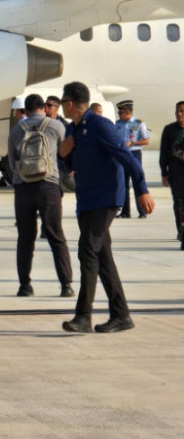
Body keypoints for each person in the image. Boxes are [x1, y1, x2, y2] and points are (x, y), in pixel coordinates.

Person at [59, 81, 155, 333]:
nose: (61, 107)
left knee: (87, 250)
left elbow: (127, 158)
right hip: (86, 200)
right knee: (103, 258)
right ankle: (121, 315)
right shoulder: (73, 129)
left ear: (70, 104)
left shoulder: (101, 126)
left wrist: (142, 189)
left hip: (107, 199)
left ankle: (83, 316)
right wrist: (62, 154)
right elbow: (69, 166)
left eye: (62, 102)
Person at [7, 94, 74, 298]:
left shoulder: (17, 130)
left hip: (23, 187)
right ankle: (66, 284)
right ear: (44, 108)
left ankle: (25, 286)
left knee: (25, 238)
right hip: (49, 185)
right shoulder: (56, 126)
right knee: (56, 235)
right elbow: (68, 152)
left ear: (25, 111)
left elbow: (11, 163)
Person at [115, 99, 150, 219]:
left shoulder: (138, 123)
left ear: (127, 112)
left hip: (134, 154)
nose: (119, 114)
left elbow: (146, 140)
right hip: (122, 155)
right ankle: (125, 212)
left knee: (137, 182)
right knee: (123, 184)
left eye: (121, 112)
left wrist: (133, 142)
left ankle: (142, 211)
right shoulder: (118, 124)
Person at [159, 100, 184, 250]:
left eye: (182, 111)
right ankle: (182, 234)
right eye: (178, 111)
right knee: (179, 204)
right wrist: (164, 173)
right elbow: (164, 153)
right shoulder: (169, 130)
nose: (180, 114)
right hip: (176, 174)